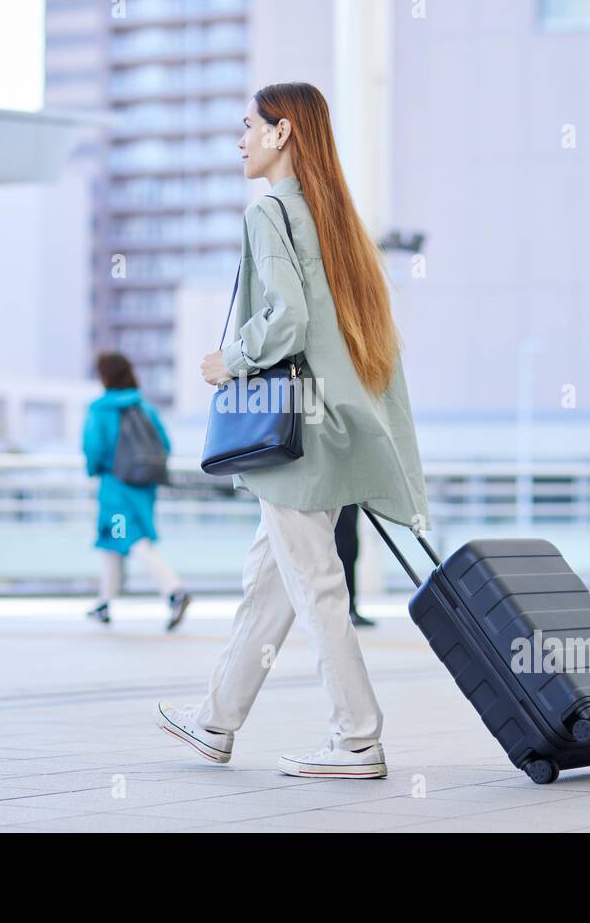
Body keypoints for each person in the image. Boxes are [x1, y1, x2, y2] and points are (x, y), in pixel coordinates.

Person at [155, 82, 430, 779]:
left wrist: (229, 361)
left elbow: (286, 322)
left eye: (248, 126)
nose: (240, 140)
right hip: (331, 427)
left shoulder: (270, 210)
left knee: (314, 585)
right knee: (270, 582)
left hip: (292, 438)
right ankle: (217, 720)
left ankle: (358, 738)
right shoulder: (333, 216)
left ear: (281, 134)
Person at [82, 351, 192, 631]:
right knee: (112, 540)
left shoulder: (101, 409)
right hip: (143, 487)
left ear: (105, 377)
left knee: (131, 539)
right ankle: (104, 603)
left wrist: (96, 468)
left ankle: (174, 591)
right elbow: (165, 445)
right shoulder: (145, 407)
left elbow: (94, 449)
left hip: (115, 487)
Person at [334, 504, 376, 627]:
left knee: (350, 547)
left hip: (349, 495)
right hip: (337, 495)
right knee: (345, 546)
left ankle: (350, 606)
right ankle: (346, 608)